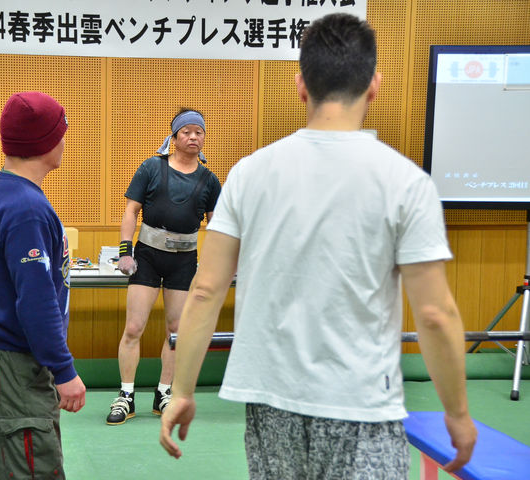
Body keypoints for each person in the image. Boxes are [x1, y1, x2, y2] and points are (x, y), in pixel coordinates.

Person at [159, 13, 477, 479]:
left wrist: (183, 391)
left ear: (300, 85)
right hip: (362, 404)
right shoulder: (406, 182)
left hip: (271, 403)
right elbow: (434, 314)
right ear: (375, 85)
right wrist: (458, 413)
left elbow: (205, 291)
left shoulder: (249, 173)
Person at [0, 91, 86, 480]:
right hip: (12, 364)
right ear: (45, 142)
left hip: (2, 359)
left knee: (3, 464)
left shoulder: (6, 193)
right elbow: (36, 301)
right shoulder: (25, 208)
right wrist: (64, 370)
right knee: (28, 465)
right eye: (61, 133)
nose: (65, 141)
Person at [105, 109, 222, 425]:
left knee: (176, 331)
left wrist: (215, 265)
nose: (193, 137)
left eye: (199, 132)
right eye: (186, 132)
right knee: (134, 327)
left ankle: (163, 393)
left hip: (183, 262)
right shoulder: (151, 168)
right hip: (147, 257)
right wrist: (125, 252)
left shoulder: (209, 181)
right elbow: (131, 211)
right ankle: (126, 395)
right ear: (174, 137)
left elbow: (216, 227)